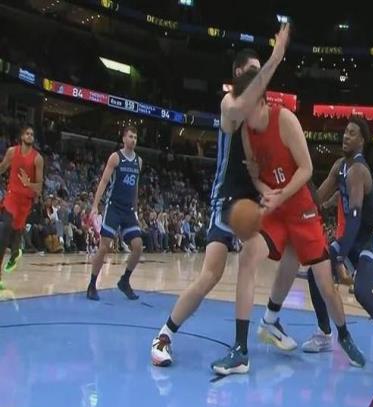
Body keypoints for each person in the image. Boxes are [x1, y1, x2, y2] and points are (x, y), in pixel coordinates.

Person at [151, 24, 291, 367]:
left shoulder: (263, 112)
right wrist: (275, 58)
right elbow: (240, 107)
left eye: (260, 71)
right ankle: (165, 335)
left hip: (254, 198)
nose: (258, 77)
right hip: (228, 199)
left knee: (281, 251)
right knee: (212, 273)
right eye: (252, 71)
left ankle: (265, 324)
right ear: (238, 74)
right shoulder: (230, 104)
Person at [210, 69, 365, 375]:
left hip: (302, 208)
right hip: (276, 210)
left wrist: (281, 194)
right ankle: (241, 350)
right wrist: (265, 191)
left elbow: (306, 169)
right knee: (248, 255)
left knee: (325, 284)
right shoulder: (245, 131)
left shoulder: (285, 120)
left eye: (245, 104)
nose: (241, 111)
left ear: (261, 101)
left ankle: (344, 335)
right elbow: (255, 175)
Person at [305, 116, 373, 380]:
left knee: (362, 291)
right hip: (356, 237)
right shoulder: (339, 166)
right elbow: (316, 200)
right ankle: (324, 333)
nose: (346, 136)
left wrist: (340, 258)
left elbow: (354, 220)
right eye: (345, 131)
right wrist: (300, 174)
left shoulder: (358, 170)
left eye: (352, 133)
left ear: (362, 141)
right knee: (314, 272)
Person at [86, 126, 143, 301]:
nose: (133, 140)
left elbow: (135, 187)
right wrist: (95, 206)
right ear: (124, 139)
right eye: (130, 136)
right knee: (104, 246)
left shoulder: (139, 161)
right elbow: (104, 181)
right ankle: (92, 285)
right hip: (114, 207)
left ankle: (124, 281)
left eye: (135, 137)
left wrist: (136, 209)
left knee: (138, 246)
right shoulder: (116, 157)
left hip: (128, 210)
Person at [0, 125, 43, 289]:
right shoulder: (12, 152)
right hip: (11, 197)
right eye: (27, 133)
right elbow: (3, 167)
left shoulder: (37, 158)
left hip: (25, 201)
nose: (30, 136)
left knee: (15, 234)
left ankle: (15, 253)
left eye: (32, 134)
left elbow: (39, 188)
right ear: (22, 136)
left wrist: (28, 183)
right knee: (4, 231)